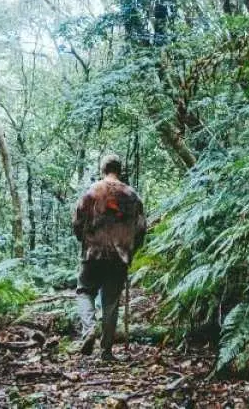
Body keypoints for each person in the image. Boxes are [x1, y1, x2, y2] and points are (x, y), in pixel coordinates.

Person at [71, 153, 147, 360]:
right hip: (119, 256)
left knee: (84, 291)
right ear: (119, 170)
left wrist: (84, 240)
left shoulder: (91, 192)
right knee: (111, 302)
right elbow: (141, 228)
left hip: (93, 252)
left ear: (103, 169)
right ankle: (106, 352)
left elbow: (77, 221)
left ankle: (89, 330)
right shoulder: (133, 196)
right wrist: (131, 249)